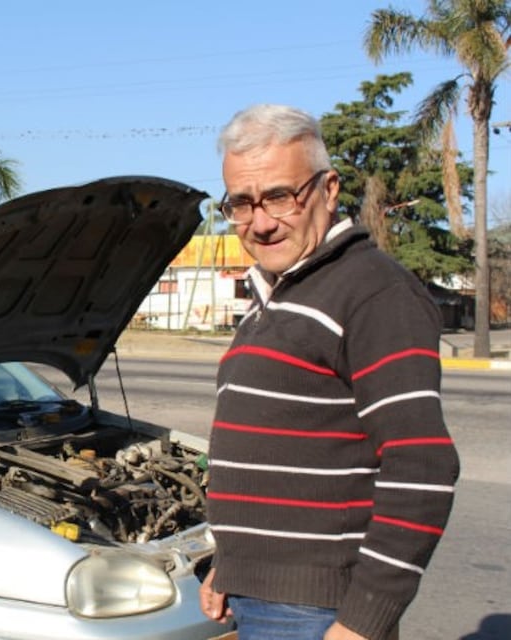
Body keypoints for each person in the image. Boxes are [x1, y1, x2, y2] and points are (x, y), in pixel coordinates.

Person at [199, 104, 460, 640]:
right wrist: (231, 564)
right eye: (242, 203)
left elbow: (422, 465)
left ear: (329, 189)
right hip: (261, 599)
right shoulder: (280, 290)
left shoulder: (374, 292)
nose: (260, 222)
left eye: (279, 196)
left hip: (316, 613)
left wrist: (362, 621)